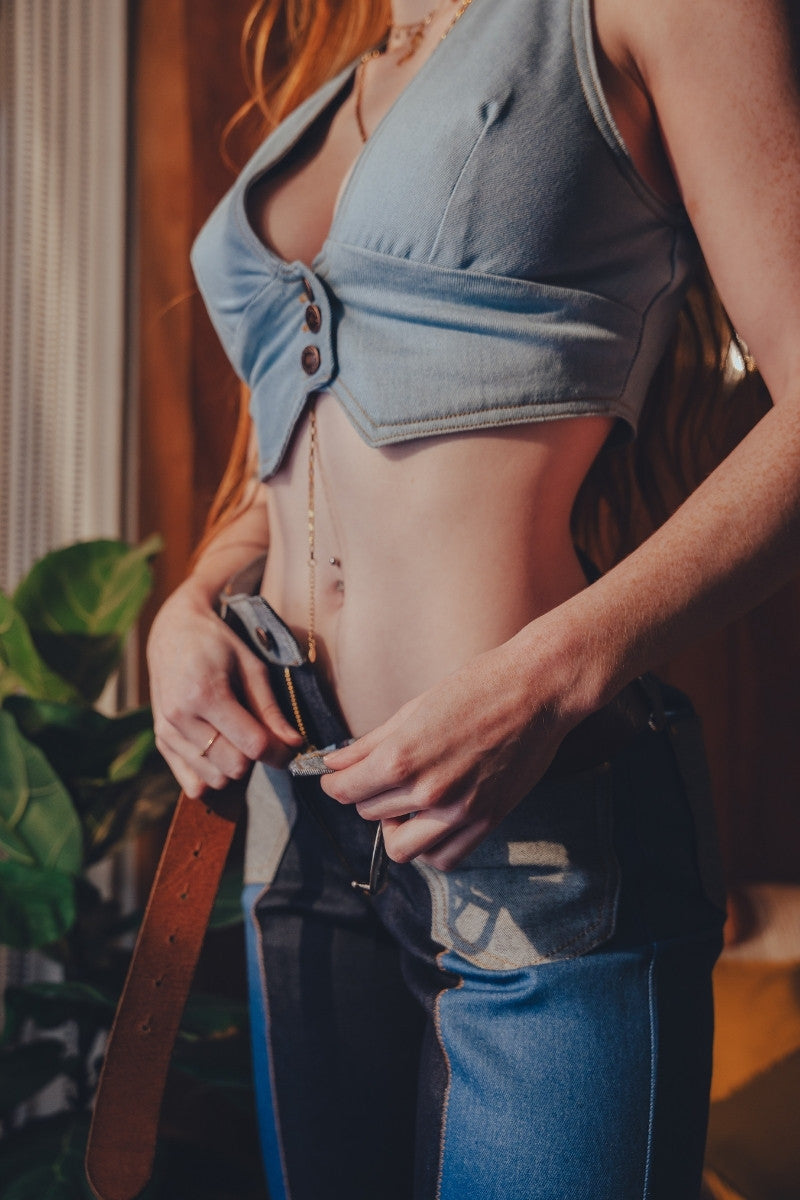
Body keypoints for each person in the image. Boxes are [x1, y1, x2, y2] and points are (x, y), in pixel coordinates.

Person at [146, 0, 800, 1196]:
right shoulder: (361, 59)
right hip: (302, 812)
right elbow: (302, 436)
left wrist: (551, 676)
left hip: (534, 828)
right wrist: (191, 600)